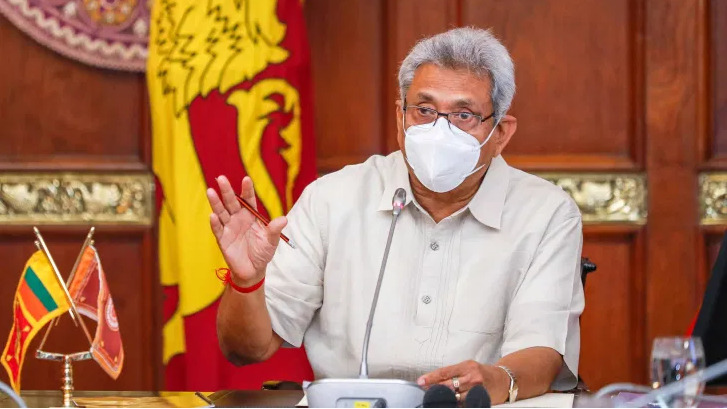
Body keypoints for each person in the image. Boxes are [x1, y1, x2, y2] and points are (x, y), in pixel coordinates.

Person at [207, 27, 584, 405]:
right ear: (400, 118)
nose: (440, 129)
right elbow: (247, 349)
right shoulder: (332, 198)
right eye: (424, 110)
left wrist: (496, 379)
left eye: (463, 114)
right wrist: (246, 282)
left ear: (500, 133)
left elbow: (544, 353)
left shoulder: (546, 213)